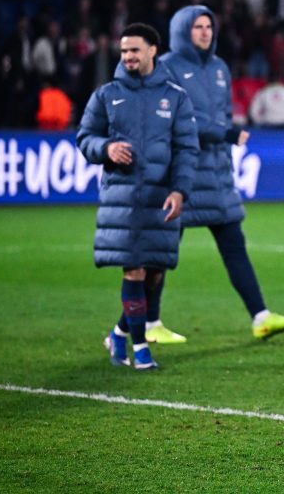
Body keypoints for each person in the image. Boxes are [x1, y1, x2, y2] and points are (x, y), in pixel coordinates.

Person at [152, 5, 284, 343]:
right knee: (161, 252)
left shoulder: (219, 68)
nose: (205, 32)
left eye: (209, 26)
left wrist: (224, 141)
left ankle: (261, 317)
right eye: (197, 27)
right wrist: (224, 133)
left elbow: (221, 115)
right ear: (182, 31)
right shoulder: (166, 67)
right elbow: (178, 120)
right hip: (181, 172)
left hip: (216, 172)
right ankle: (143, 323)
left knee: (234, 246)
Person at [76, 23, 198, 370]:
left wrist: (180, 190)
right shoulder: (106, 95)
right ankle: (140, 348)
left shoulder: (176, 97)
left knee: (155, 273)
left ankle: (118, 334)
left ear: (152, 51)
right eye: (124, 51)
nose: (128, 56)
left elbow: (187, 149)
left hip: (161, 198)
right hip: (124, 199)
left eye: (134, 50)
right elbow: (85, 137)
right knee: (134, 271)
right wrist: (106, 148)